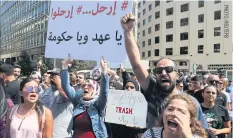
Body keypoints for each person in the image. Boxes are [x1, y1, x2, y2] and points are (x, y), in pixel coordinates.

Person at [120, 13, 208, 129]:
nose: (163, 73)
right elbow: (136, 64)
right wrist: (128, 31)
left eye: (168, 70)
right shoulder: (152, 91)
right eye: (159, 70)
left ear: (177, 74)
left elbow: (202, 131)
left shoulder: (191, 103)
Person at [60, 57, 109, 138]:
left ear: (96, 90)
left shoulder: (98, 105)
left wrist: (104, 71)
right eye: (84, 86)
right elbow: (65, 87)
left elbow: (104, 92)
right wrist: (64, 67)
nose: (85, 87)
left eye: (89, 86)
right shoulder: (78, 102)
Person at [142, 94, 207, 138]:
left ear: (190, 119)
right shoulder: (150, 135)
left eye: (181, 111)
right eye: (170, 109)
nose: (174, 114)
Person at [40, 69, 73, 138]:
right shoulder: (47, 91)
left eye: (55, 76)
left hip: (62, 135)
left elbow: (68, 97)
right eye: (51, 75)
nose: (52, 78)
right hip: (47, 133)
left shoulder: (70, 90)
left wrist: (59, 85)